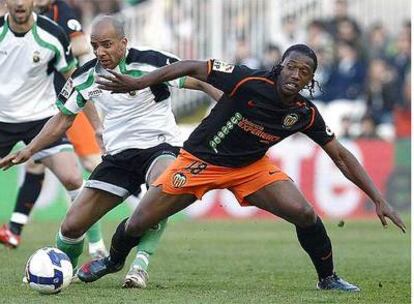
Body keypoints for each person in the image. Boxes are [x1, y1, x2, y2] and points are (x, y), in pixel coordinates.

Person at [68, 44, 405, 291]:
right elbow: (191, 66)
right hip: (200, 161)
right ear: (280, 66)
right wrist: (139, 82)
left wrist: (377, 197)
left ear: (310, 80)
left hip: (250, 168)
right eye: (291, 66)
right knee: (141, 220)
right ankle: (113, 261)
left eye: (304, 72)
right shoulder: (247, 81)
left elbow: (341, 155)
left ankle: (328, 278)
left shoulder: (304, 112)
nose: (296, 74)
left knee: (303, 212)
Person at [0, 15, 222, 288]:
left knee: (160, 190)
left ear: (123, 42)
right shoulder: (87, 77)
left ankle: (140, 265)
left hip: (160, 146)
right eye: (95, 46)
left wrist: (228, 108)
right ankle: (63, 271)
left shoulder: (151, 61)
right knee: (71, 226)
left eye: (106, 44)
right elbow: (62, 119)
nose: (100, 52)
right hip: (118, 157)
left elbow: (200, 80)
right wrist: (30, 149)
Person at [0, 0, 107, 259]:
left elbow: (76, 81)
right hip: (2, 119)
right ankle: (14, 228)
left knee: (73, 177)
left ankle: (96, 246)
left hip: (41, 120)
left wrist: (97, 127)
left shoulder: (52, 34)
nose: (19, 3)